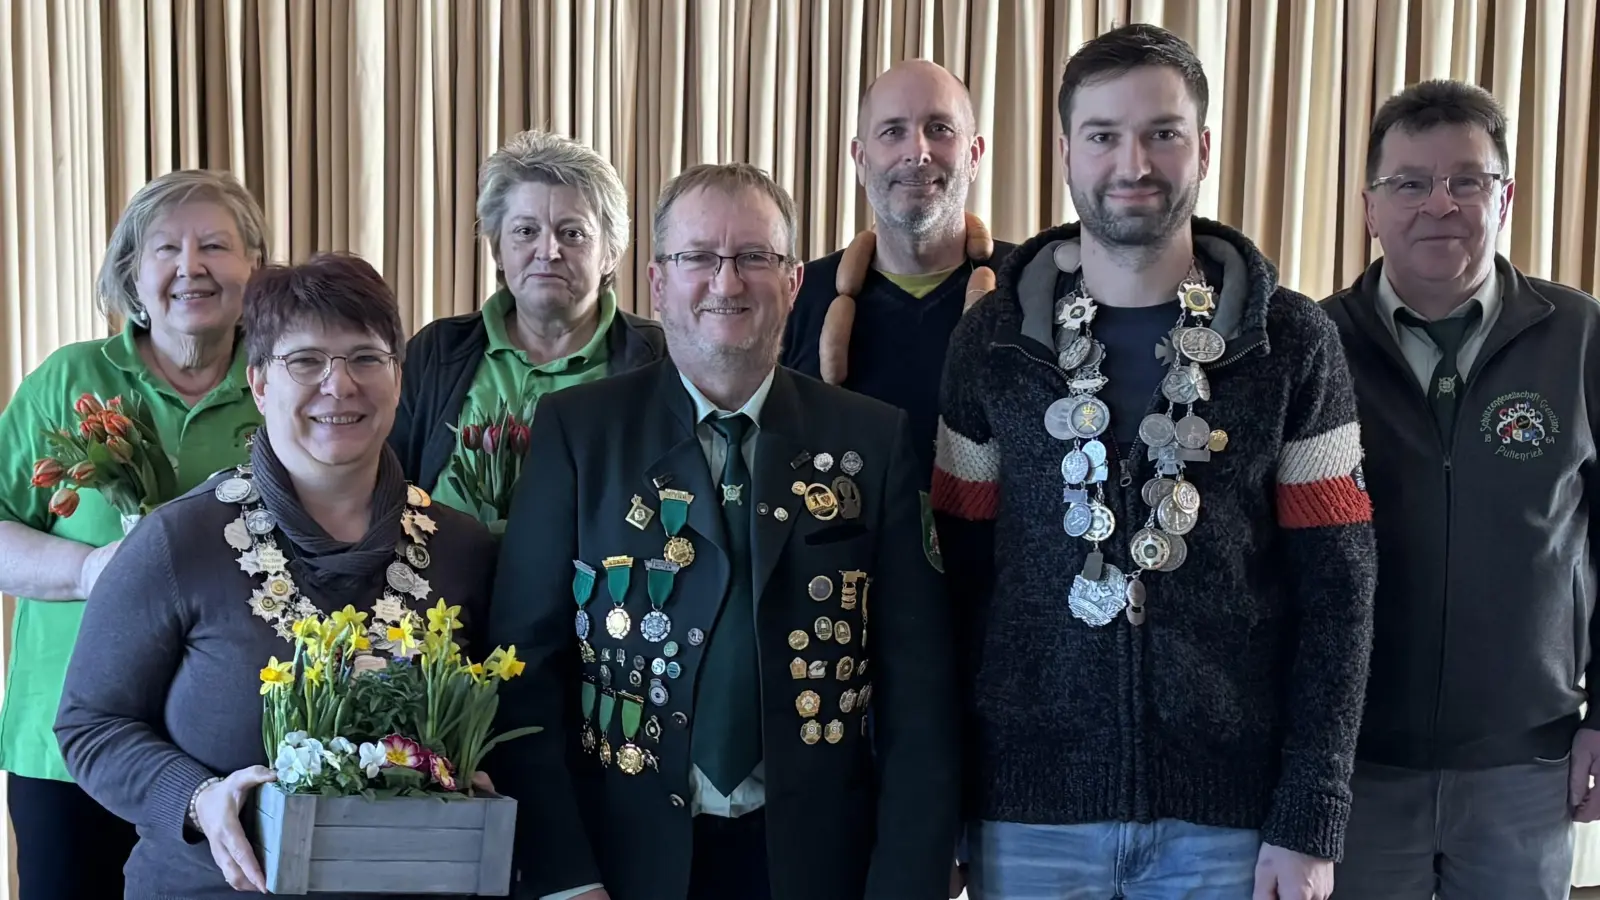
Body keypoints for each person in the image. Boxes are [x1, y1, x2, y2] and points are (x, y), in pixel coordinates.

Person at [931, 24, 1376, 900]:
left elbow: (1340, 595)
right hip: (1027, 817)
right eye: (1104, 135)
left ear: (1203, 147)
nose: (1133, 163)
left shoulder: (1292, 341)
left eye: (1162, 133)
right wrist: (944, 806)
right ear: (1065, 152)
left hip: (1233, 828)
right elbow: (951, 587)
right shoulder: (989, 341)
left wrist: (1309, 816)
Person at [489, 163, 959, 900]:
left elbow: (920, 692)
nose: (726, 282)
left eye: (753, 258)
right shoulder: (580, 435)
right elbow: (523, 672)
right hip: (620, 864)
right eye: (699, 257)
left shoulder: (872, 440)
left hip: (817, 865)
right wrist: (563, 876)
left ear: (795, 281)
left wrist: (904, 885)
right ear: (656, 281)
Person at [54, 254, 498, 899]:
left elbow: (508, 713)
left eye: (366, 358)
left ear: (398, 379)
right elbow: (90, 724)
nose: (339, 385)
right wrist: (199, 798)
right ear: (259, 383)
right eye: (306, 361)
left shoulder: (463, 548)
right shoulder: (179, 541)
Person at [1321, 80, 1600, 900]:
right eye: (1409, 183)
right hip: (1358, 765)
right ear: (1371, 205)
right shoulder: (1312, 345)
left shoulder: (1580, 336)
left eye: (1466, 181)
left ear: (1505, 197)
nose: (1439, 205)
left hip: (1525, 766)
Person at [0, 169, 268, 898]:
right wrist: (91, 571)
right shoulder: (70, 380)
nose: (192, 267)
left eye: (216, 245)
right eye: (166, 249)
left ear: (254, 268)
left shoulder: (283, 386)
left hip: (228, 756)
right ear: (131, 273)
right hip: (68, 746)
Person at [391, 129, 665, 524]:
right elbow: (387, 480)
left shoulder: (657, 357)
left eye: (572, 234)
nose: (548, 251)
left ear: (610, 254)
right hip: (447, 581)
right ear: (497, 249)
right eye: (525, 231)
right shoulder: (437, 350)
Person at [783, 59, 1017, 487]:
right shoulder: (797, 298)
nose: (917, 151)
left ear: (975, 155)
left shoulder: (1033, 285)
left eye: (940, 129)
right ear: (860, 158)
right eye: (893, 131)